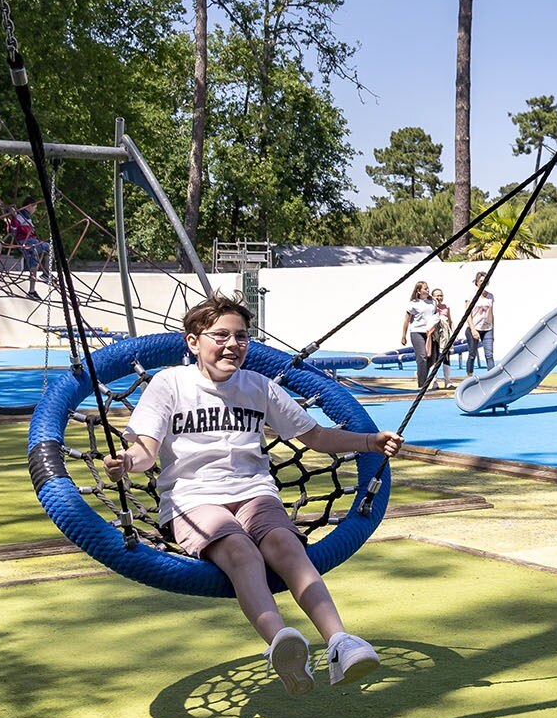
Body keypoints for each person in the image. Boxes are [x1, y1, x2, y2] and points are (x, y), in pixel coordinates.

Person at [105, 294, 400, 695]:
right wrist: (126, 462)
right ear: (193, 342)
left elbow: (315, 436)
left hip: (254, 493)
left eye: (241, 336)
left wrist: (369, 441)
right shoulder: (170, 384)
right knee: (241, 551)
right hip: (193, 499)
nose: (233, 345)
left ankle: (340, 641)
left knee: (285, 545)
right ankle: (282, 643)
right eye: (220, 335)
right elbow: (145, 451)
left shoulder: (258, 386)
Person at [6, 201, 49, 295]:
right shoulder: (19, 217)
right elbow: (13, 232)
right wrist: (14, 218)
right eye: (35, 207)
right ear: (29, 206)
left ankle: (31, 291)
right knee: (50, 248)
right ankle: (46, 273)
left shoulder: (26, 217)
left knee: (33, 266)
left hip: (29, 243)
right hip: (28, 243)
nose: (35, 210)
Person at [404, 281, 437, 389]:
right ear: (418, 291)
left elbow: (435, 316)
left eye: (428, 288)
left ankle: (420, 373)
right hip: (417, 331)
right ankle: (422, 384)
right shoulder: (413, 303)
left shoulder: (432, 302)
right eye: (425, 289)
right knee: (422, 357)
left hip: (430, 332)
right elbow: (407, 320)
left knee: (432, 358)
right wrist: (403, 335)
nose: (427, 290)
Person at [466, 272, 496, 374]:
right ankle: (469, 375)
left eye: (485, 280)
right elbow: (468, 314)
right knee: (472, 354)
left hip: (487, 328)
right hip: (475, 327)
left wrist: (493, 328)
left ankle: (491, 376)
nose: (483, 283)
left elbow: (491, 313)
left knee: (489, 354)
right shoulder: (471, 295)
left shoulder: (490, 296)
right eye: (481, 281)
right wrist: (473, 329)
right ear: (477, 282)